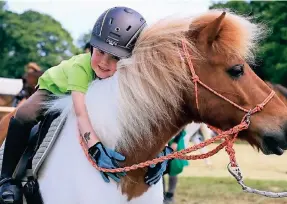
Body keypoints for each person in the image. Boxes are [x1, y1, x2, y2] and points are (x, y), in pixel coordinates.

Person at [0, 6, 170, 204]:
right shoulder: (81, 67)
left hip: (86, 91)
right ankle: (6, 178)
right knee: (25, 115)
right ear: (91, 46)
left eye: (115, 57)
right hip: (56, 89)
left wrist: (160, 152)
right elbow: (81, 113)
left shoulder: (127, 77)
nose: (104, 63)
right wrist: (95, 148)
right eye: (100, 52)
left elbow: (144, 114)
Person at [163, 130, 188, 204]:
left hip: (174, 140)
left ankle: (170, 195)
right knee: (160, 169)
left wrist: (175, 142)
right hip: (162, 141)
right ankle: (162, 194)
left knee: (174, 168)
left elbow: (181, 126)